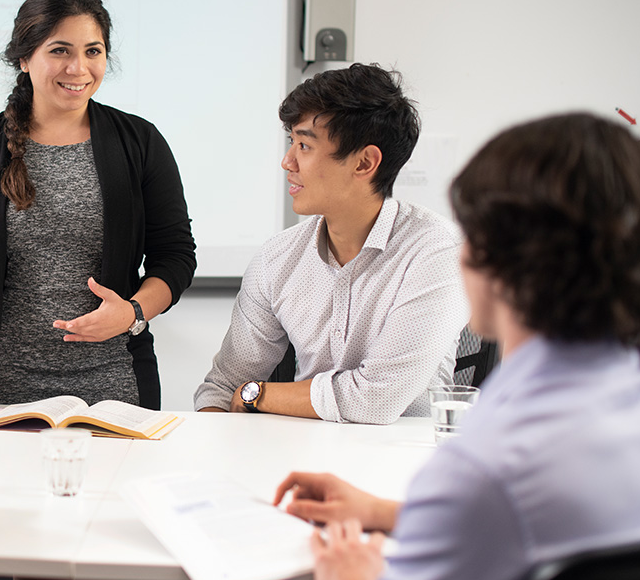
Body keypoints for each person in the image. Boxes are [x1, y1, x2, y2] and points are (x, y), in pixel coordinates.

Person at [274, 113, 640, 580]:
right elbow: (537, 519)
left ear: (500, 260)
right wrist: (385, 511)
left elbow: (494, 500)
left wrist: (351, 574)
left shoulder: (486, 468)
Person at [0, 0, 196, 409]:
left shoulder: (139, 141)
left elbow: (176, 255)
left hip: (119, 383)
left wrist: (133, 312)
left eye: (93, 51)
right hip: (1, 383)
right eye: (60, 51)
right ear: (23, 57)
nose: (79, 67)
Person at [194, 63, 467, 424]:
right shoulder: (278, 258)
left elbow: (376, 398)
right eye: (291, 142)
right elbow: (222, 387)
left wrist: (257, 394)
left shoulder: (438, 252)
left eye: (304, 145)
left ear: (365, 162)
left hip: (402, 464)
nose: (287, 161)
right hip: (296, 458)